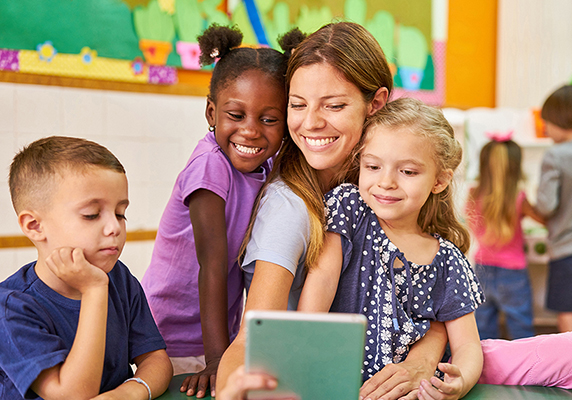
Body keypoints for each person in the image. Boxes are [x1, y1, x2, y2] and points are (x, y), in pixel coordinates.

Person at [218, 22, 450, 400]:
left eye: (335, 105)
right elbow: (252, 336)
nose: (311, 122)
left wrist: (424, 357)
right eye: (298, 105)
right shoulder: (290, 206)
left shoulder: (391, 192)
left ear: (375, 103)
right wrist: (234, 389)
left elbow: (439, 295)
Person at [141, 24, 294, 398]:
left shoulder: (263, 168)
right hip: (174, 335)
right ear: (212, 112)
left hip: (214, 331)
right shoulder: (210, 166)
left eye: (269, 119)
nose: (251, 131)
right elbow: (213, 264)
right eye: (236, 115)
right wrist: (216, 359)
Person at [298, 98, 484, 400]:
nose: (385, 182)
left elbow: (467, 346)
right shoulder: (350, 208)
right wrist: (302, 355)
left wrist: (459, 383)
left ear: (439, 181)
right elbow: (322, 281)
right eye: (372, 166)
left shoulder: (448, 260)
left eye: (408, 172)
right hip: (331, 384)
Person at [0, 136, 172, 400]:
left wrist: (128, 393)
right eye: (92, 214)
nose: (114, 227)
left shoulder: (119, 277)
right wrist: (94, 290)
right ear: (34, 226)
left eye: (120, 213)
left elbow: (156, 359)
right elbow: (73, 395)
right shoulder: (11, 307)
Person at [465, 134, 544, 339]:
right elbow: (545, 220)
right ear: (515, 168)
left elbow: (471, 225)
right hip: (513, 272)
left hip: (481, 268)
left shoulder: (473, 194)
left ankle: (485, 371)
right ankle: (528, 371)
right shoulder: (519, 198)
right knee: (521, 328)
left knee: (482, 329)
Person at [536, 84, 572, 333]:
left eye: (547, 121)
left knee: (567, 311)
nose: (546, 129)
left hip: (566, 249)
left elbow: (546, 206)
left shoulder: (555, 156)